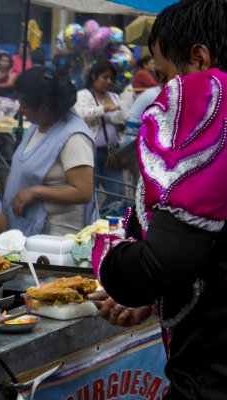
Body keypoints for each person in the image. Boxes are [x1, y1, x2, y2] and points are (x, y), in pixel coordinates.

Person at [90, 1, 227, 398]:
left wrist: (108, 251)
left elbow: (159, 265)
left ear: (198, 58)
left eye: (165, 75)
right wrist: (158, 299)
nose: (165, 90)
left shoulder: (211, 101)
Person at [3, 67, 97, 236]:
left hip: (55, 237)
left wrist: (35, 191)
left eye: (24, 106)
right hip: (28, 229)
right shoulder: (37, 124)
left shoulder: (74, 137)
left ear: (44, 108)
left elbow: (83, 192)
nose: (19, 110)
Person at [75, 60, 128, 206]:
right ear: (94, 76)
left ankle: (108, 219)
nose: (108, 81)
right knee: (90, 194)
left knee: (117, 192)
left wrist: (122, 122)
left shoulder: (115, 97)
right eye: (105, 77)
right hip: (90, 150)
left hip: (111, 149)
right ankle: (93, 223)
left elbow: (120, 120)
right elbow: (80, 115)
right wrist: (104, 109)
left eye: (111, 78)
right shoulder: (83, 95)